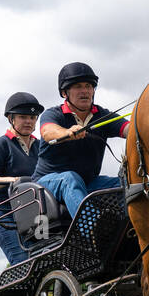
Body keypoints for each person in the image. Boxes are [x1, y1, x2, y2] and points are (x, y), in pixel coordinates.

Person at [32, 62, 129, 219]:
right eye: (78, 86)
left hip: (88, 182)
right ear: (65, 93)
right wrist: (66, 132)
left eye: (89, 86)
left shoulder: (102, 115)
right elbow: (47, 131)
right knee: (70, 178)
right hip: (47, 182)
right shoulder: (53, 114)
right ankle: (93, 230)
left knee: (127, 184)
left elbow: (128, 129)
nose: (85, 91)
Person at [0, 91, 43, 265]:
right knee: (24, 264)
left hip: (35, 215)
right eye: (23, 117)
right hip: (5, 215)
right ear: (11, 119)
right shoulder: (1, 145)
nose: (29, 121)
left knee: (46, 260)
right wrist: (15, 180)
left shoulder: (41, 146)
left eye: (32, 117)